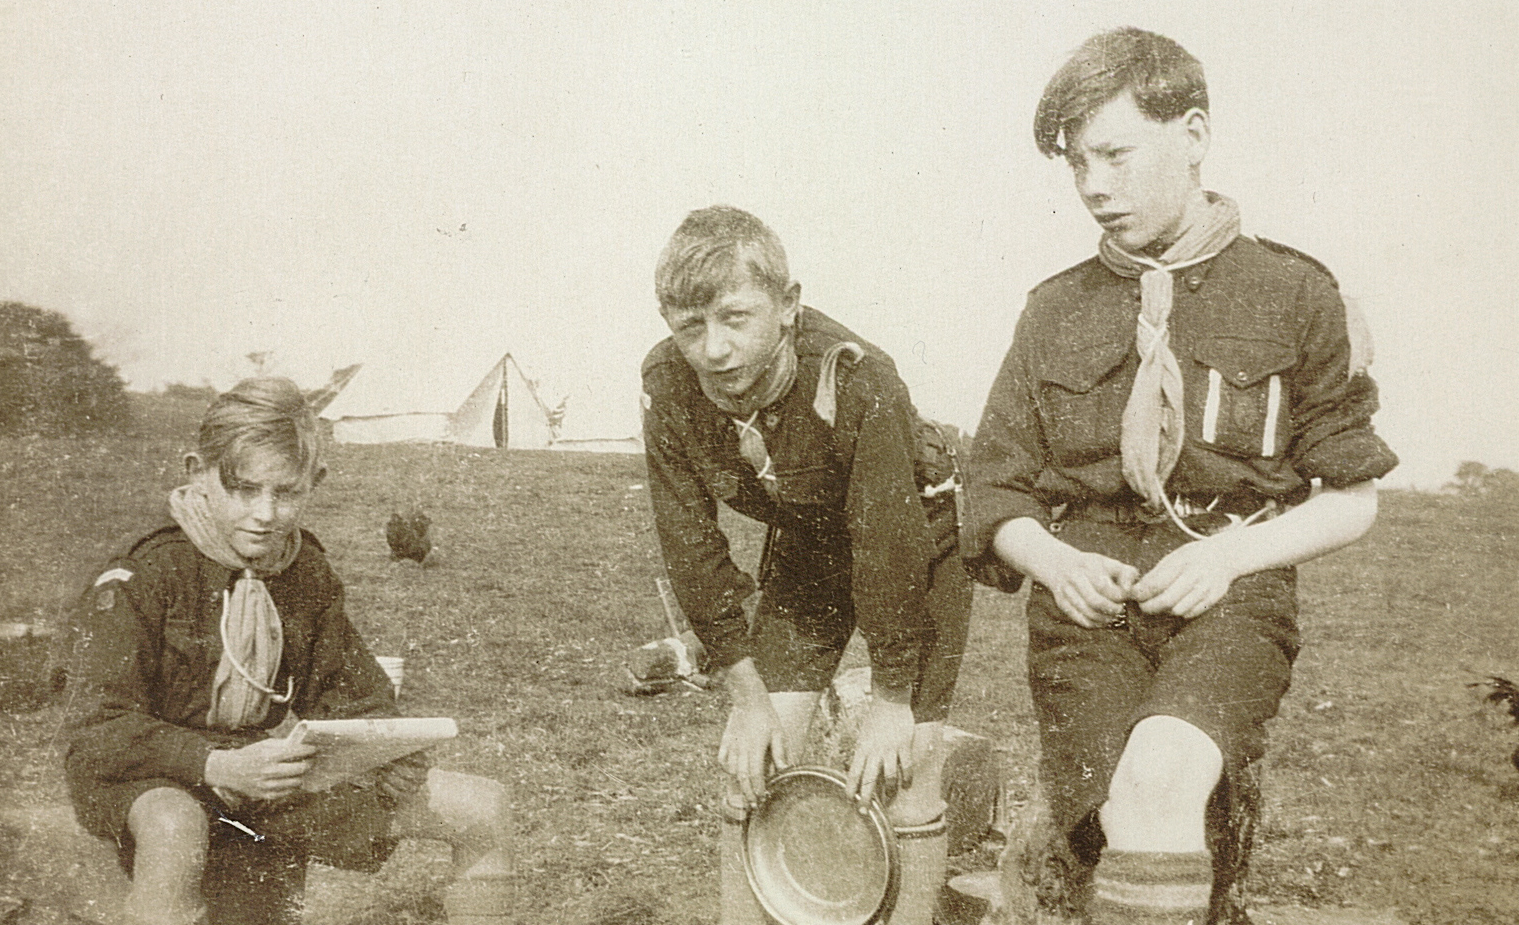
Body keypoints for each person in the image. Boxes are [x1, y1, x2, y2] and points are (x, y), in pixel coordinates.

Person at [962, 28, 1398, 925]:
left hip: (1229, 593)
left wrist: (1228, 557)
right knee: (1120, 832)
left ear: (1193, 134)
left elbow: (1352, 498)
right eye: (1076, 163)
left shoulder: (1294, 293)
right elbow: (995, 491)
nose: (1092, 185)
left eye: (1114, 153)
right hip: (1087, 610)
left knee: (1157, 786)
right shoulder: (1052, 310)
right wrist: (1054, 561)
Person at [63, 377, 515, 925]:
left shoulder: (304, 572)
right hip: (152, 774)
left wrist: (392, 757)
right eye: (244, 489)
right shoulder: (144, 574)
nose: (265, 514)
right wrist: (216, 763)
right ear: (198, 473)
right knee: (174, 826)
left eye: (286, 493)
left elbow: (353, 692)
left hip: (263, 769)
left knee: (483, 809)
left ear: (313, 482)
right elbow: (97, 727)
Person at [641, 205, 973, 925]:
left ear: (788, 304)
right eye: (689, 327)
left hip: (917, 540)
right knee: (751, 763)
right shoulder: (667, 384)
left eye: (735, 318)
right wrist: (747, 697)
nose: (714, 349)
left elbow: (888, 545)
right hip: (810, 546)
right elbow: (690, 545)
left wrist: (891, 698)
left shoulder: (858, 376)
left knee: (905, 769)